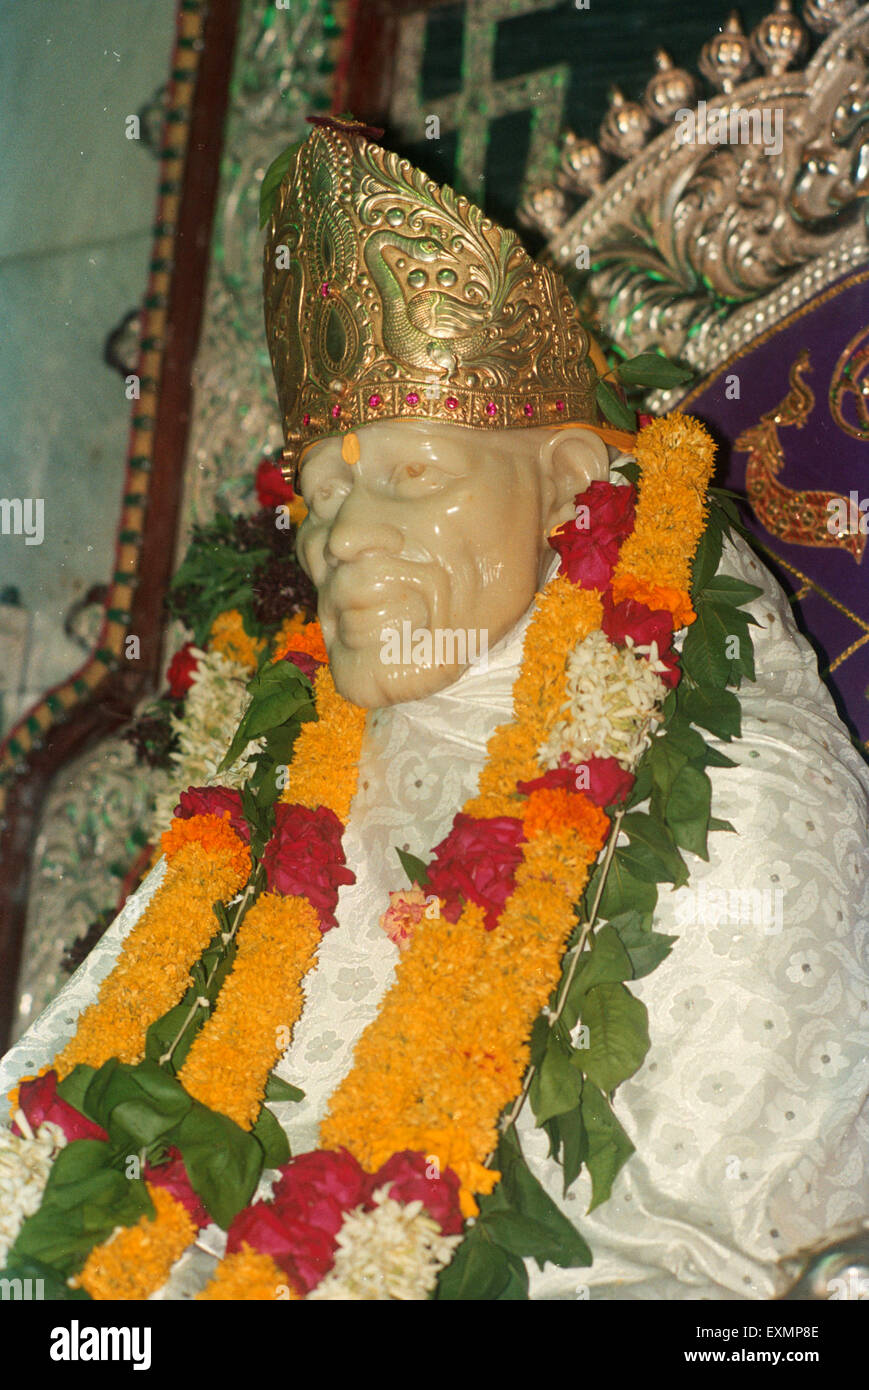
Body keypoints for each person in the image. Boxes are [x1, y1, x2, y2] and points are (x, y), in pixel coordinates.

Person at [2, 118, 867, 1300]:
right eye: (317, 496)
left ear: (573, 489)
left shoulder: (745, 800)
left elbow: (766, 1289)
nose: (343, 538)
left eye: (414, 475)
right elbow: (66, 1146)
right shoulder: (284, 773)